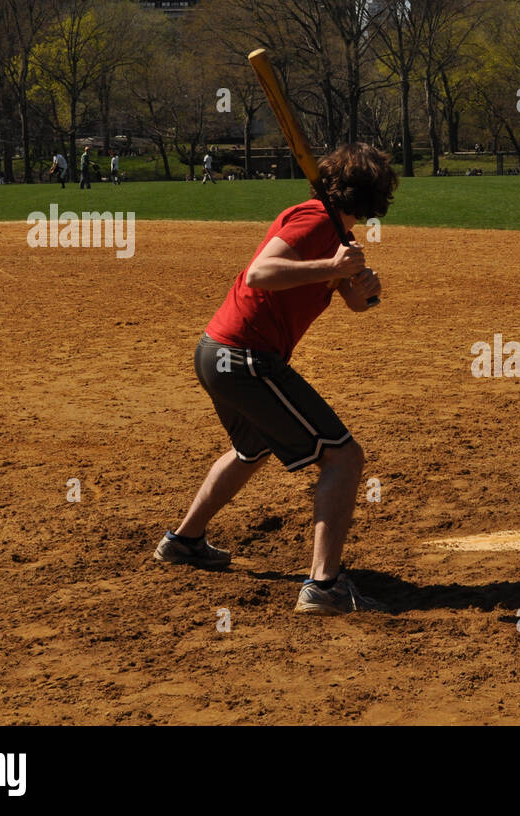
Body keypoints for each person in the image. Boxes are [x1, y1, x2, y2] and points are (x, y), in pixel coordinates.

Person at [155, 142, 398, 616]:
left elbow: (351, 301)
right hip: (245, 357)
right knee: (343, 458)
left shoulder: (334, 232)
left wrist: (360, 287)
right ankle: (323, 587)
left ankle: (184, 542)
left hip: (218, 353)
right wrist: (333, 266)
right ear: (375, 195)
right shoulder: (314, 221)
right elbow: (261, 274)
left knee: (252, 449)